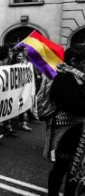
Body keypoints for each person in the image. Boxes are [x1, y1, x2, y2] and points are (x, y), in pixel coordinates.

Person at [46, 45, 85, 196]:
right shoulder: (63, 77)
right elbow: (74, 105)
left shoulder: (78, 77)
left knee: (74, 168)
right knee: (62, 166)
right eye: (84, 62)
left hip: (78, 127)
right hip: (65, 128)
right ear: (74, 61)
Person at [0, 45, 17, 136]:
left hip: (6, 90)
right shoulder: (0, 64)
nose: (11, 53)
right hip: (1, 91)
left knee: (6, 109)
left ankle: (7, 127)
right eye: (9, 51)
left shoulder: (6, 63)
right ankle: (2, 128)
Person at [10, 47, 33, 132]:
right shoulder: (11, 66)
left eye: (22, 56)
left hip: (22, 89)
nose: (20, 58)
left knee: (22, 104)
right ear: (15, 57)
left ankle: (23, 123)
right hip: (13, 89)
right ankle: (7, 124)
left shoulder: (26, 66)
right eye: (19, 56)